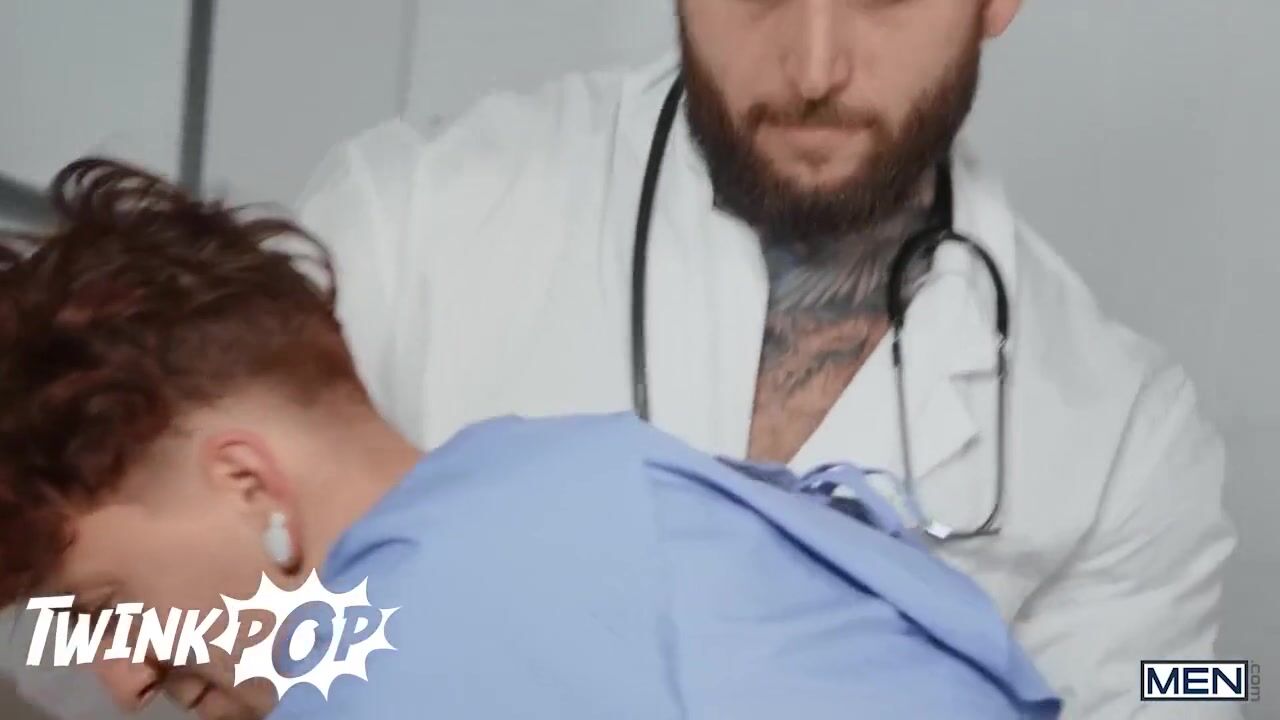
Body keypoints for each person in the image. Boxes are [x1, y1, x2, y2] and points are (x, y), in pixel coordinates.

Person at [294, 0, 1236, 716]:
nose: (814, 68)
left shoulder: (1129, 442)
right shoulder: (398, 230)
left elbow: (1184, 689)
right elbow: (219, 622)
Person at [0, 160, 1060, 719]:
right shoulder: (593, 481)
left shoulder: (400, 668)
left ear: (247, 484)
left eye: (107, 607)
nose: (123, 679)